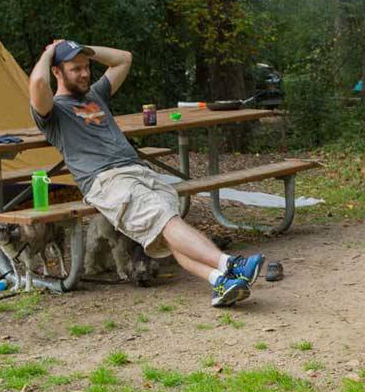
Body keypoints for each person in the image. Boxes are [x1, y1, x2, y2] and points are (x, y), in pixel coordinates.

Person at [28, 39, 264, 307]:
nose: (84, 73)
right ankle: (231, 264)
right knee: (165, 221)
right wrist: (49, 52)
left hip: (139, 172)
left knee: (167, 226)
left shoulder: (95, 95)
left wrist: (83, 48)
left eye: (86, 67)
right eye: (75, 69)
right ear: (57, 72)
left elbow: (124, 58)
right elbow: (37, 84)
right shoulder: (53, 111)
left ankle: (220, 279)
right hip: (108, 181)